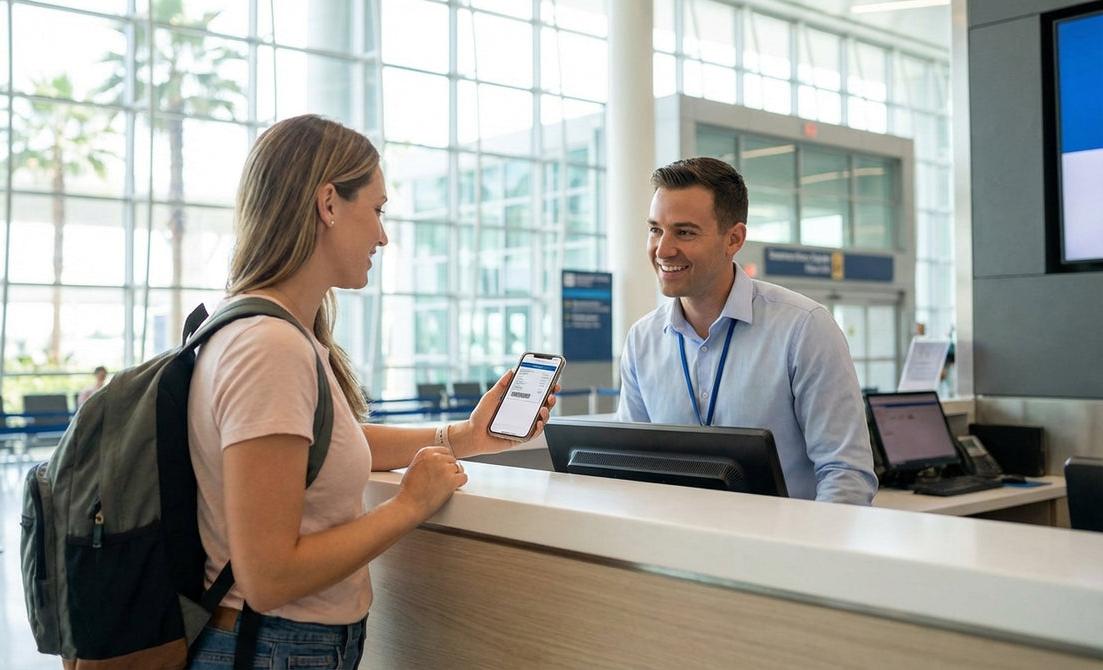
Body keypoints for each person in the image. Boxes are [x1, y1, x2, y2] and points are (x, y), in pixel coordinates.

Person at [186, 114, 557, 669]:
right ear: (329, 203)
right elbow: (268, 576)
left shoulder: (274, 330)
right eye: (378, 210)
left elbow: (322, 445)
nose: (384, 235)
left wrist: (464, 436)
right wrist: (410, 505)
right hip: (272, 647)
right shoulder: (271, 346)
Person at [615, 157, 877, 505]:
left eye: (685, 232)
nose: (663, 249)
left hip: (783, 551)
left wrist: (805, 557)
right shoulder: (642, 340)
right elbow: (627, 467)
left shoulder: (803, 328)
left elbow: (847, 475)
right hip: (677, 548)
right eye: (655, 230)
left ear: (733, 239)